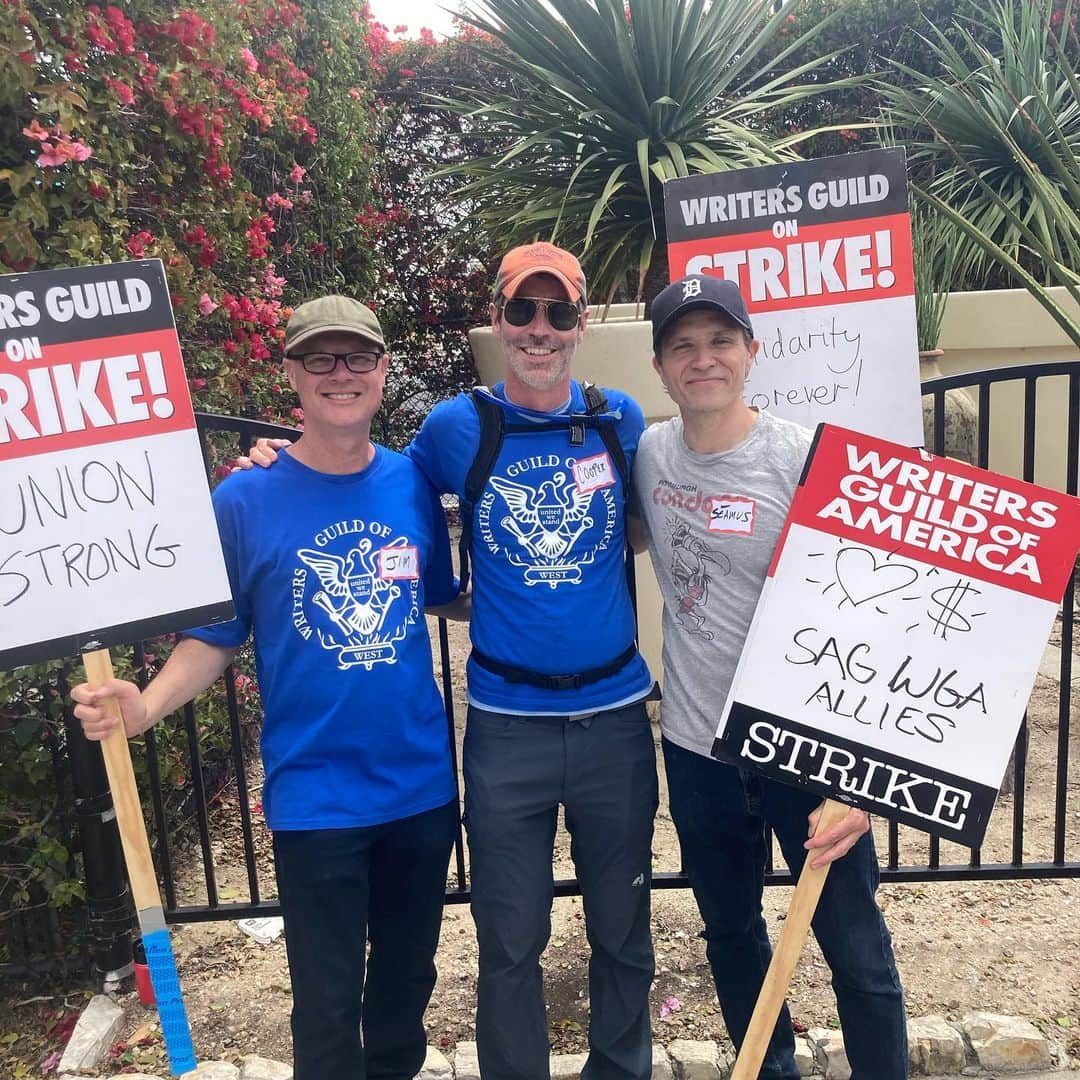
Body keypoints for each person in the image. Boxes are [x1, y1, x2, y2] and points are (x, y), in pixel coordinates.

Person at [246, 243, 659, 1080]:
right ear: (500, 319)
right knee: (510, 940)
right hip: (508, 728)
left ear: (581, 324)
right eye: (523, 311)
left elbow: (644, 531)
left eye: (559, 312)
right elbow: (370, 484)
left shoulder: (620, 422)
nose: (540, 330)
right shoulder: (451, 429)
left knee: (623, 927)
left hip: (615, 715)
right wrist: (272, 461)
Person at [72, 296, 462, 1080]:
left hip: (420, 791)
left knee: (404, 991)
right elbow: (217, 637)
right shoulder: (242, 501)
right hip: (315, 799)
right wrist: (145, 704)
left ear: (384, 372)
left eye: (358, 358)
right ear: (291, 375)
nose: (340, 374)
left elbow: (445, 595)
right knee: (324, 1006)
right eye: (320, 359)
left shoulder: (412, 484)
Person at [629, 274, 908, 1079]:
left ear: (752, 352)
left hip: (808, 746)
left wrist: (859, 779)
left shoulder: (801, 454)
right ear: (660, 365)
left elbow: (873, 607)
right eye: (683, 345)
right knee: (732, 934)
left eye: (720, 341)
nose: (702, 358)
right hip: (697, 746)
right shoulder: (649, 451)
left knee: (854, 943)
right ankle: (771, 1067)